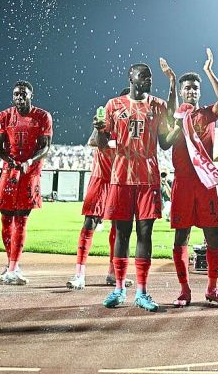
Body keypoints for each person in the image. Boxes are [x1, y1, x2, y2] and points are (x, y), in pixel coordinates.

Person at [97, 60, 176, 312]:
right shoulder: (113, 105)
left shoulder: (159, 106)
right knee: (121, 233)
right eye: (143, 76)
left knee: (145, 234)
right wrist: (98, 130)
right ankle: (119, 288)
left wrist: (181, 130)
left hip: (148, 178)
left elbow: (164, 143)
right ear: (131, 78)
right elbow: (102, 143)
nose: (148, 79)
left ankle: (141, 291)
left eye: (150, 77)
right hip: (121, 177)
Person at [164, 48, 218, 307]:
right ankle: (184, 290)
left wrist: (209, 71)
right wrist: (176, 127)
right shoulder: (176, 117)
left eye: (195, 88)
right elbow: (166, 143)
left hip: (205, 183)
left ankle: (212, 289)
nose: (191, 91)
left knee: (213, 237)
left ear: (199, 91)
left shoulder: (207, 114)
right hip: (182, 183)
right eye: (188, 88)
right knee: (181, 238)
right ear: (182, 91)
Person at [67, 87, 134, 291]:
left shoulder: (136, 126)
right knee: (90, 223)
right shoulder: (106, 119)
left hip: (120, 181)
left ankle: (113, 273)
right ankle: (79, 275)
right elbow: (93, 142)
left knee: (119, 229)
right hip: (101, 178)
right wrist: (99, 128)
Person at [0, 80, 53, 285]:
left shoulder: (43, 116)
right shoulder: (4, 116)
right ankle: (10, 262)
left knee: (21, 219)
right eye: (16, 94)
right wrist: (11, 161)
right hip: (10, 172)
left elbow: (45, 147)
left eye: (23, 94)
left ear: (31, 96)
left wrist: (29, 161)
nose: (19, 98)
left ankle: (13, 266)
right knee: (5, 218)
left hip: (30, 172)